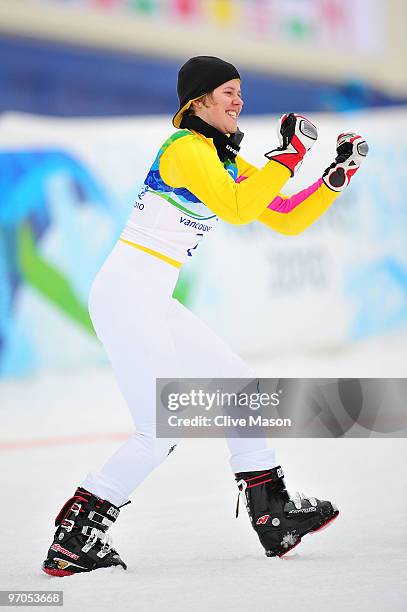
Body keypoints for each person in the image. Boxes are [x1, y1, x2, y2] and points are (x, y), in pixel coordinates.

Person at [42, 56, 368, 575]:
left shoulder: (220, 158)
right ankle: (74, 537)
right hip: (128, 296)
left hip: (149, 296)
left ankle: (272, 513)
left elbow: (281, 216)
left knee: (240, 385)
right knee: (159, 429)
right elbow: (239, 209)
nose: (238, 102)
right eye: (227, 93)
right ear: (197, 101)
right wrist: (289, 155)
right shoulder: (186, 149)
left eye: (240, 91)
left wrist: (332, 178)